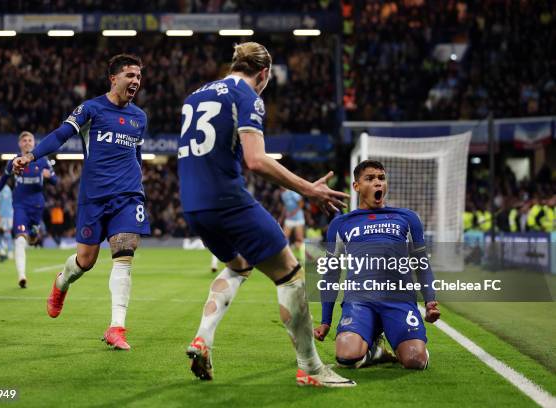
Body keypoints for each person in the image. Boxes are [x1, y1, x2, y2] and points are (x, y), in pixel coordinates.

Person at [178, 42, 354, 387]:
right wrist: (308, 188)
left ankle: (203, 339)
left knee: (239, 264)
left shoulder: (194, 96)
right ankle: (311, 368)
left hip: (193, 205)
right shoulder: (248, 97)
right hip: (227, 200)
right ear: (264, 74)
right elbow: (256, 160)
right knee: (290, 274)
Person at [12, 54, 149, 350]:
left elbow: (136, 156)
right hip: (94, 198)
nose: (135, 81)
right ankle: (61, 283)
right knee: (85, 262)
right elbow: (61, 135)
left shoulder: (140, 117)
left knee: (124, 254)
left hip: (128, 196)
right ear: (113, 78)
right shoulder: (92, 109)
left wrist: (140, 185)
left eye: (138, 76)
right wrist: (31, 155)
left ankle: (117, 327)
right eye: (130, 75)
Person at [314, 160, 441, 370]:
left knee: (415, 361)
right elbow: (331, 273)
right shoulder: (341, 223)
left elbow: (421, 263)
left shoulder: (407, 218)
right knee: (346, 356)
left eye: (381, 178)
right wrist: (326, 320)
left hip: (399, 300)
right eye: (370, 178)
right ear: (356, 186)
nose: (377, 183)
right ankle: (374, 348)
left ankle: (401, 340)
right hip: (359, 300)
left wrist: (430, 302)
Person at [0, 131, 57, 288]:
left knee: (32, 238)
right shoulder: (15, 161)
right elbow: (4, 178)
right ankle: (22, 276)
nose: (27, 142)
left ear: (34, 143)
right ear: (19, 144)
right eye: (24, 140)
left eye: (30, 140)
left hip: (37, 206)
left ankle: (34, 232)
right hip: (20, 205)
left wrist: (49, 175)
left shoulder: (42, 160)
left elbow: (56, 180)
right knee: (20, 239)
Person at [281, 188, 306, 263]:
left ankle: (302, 258)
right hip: (289, 219)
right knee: (283, 238)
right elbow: (286, 206)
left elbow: (301, 203)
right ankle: (285, 257)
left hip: (298, 219)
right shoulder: (283, 194)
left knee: (299, 239)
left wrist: (294, 213)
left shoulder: (292, 192)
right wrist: (282, 217)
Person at [0, 184, 14, 260]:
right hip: (1, 214)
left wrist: (0, 214)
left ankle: (10, 252)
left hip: (6, 215)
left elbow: (5, 204)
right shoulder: (0, 188)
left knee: (7, 233)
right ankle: (1, 252)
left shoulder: (5, 189)